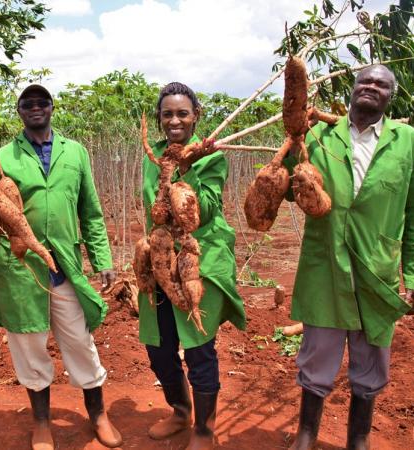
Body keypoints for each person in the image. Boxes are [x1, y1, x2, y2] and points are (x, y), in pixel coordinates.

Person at [0, 84, 122, 450]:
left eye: (42, 102)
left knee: (79, 342)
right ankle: (42, 423)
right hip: (20, 268)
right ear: (19, 111)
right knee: (29, 346)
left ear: (51, 107)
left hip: (64, 267)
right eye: (27, 104)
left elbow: (90, 212)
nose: (35, 108)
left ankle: (99, 415)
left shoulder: (75, 152)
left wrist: (102, 260)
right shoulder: (0, 158)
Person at [285, 64, 414, 450]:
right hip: (325, 266)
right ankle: (306, 435)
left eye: (381, 84)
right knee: (317, 355)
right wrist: (292, 143)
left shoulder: (408, 141)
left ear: (392, 96)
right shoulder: (320, 133)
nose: (371, 87)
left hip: (377, 269)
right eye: (365, 81)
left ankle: (358, 441)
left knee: (371, 361)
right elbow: (293, 190)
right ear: (353, 89)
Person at [138, 82, 246, 449]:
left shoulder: (211, 156)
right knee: (159, 346)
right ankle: (181, 412)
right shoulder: (151, 155)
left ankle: (204, 430)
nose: (174, 120)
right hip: (160, 259)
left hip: (198, 258)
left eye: (182, 113)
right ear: (159, 118)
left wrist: (189, 165)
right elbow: (152, 208)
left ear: (195, 115)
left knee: (199, 345)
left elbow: (206, 210)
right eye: (167, 113)